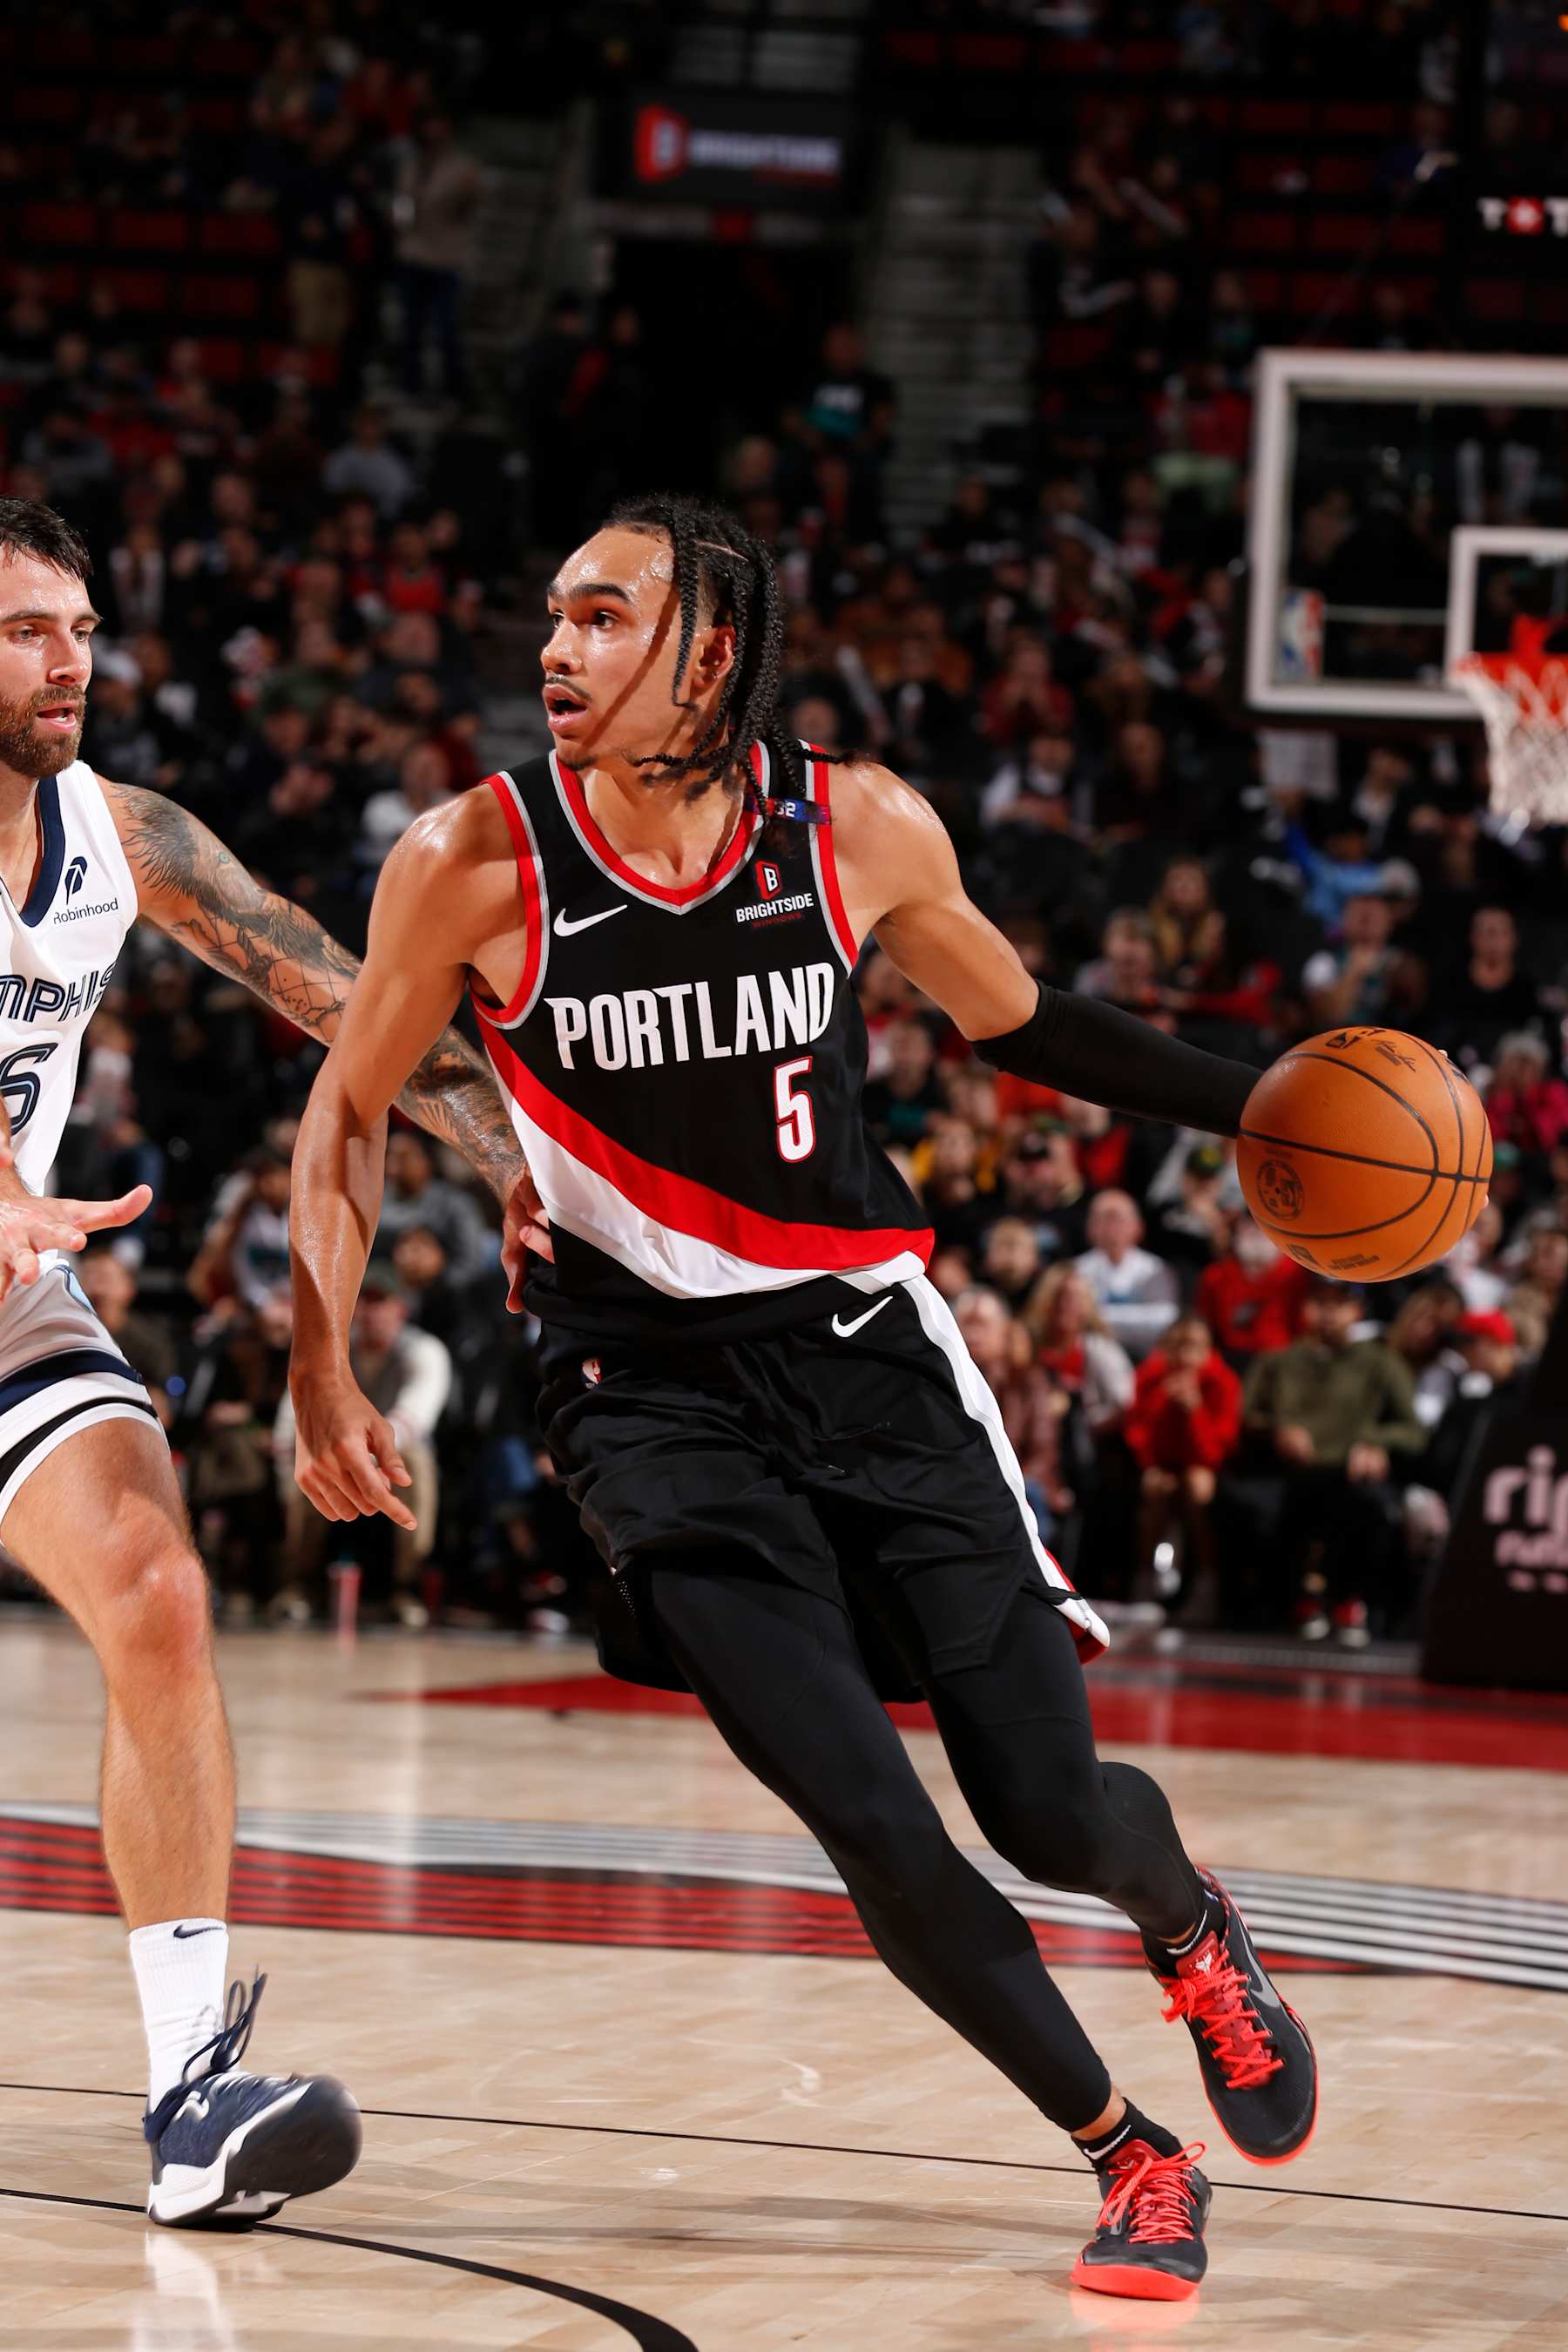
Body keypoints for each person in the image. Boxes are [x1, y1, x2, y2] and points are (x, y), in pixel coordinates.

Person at [287, 492, 1317, 2303]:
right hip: (644, 1398)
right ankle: (1128, 2154)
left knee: (1046, 1810)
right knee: (870, 1813)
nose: (556, 649)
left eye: (604, 619)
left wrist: (1257, 1107)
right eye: (551, 616)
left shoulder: (859, 825)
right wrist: (321, 1358)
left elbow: (1029, 1024)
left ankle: (1188, 1924)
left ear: (710, 650)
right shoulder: (473, 857)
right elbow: (349, 1108)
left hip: (871, 1359)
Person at [0, 497, 533, 2227]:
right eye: (24, 630)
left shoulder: (123, 834)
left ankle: (191, 2098)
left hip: (13, 1282)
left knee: (158, 1586)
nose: (65, 660)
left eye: (80, 626)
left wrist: (518, 1155)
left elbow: (331, 989)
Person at [1230, 1279, 1425, 1644]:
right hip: (1289, 1472)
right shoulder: (1279, 1360)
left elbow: (1413, 1429)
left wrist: (1375, 1442)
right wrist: (1277, 1431)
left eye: (1338, 1304)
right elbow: (1246, 1418)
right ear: (1304, 1308)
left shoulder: (1381, 1361)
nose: (1328, 1313)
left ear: (1357, 1311)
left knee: (1371, 1509)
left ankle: (1351, 1601)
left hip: (1350, 1473)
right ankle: (1289, 1602)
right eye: (1319, 1302)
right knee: (1256, 1508)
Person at [274, 1266, 451, 1625]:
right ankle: (299, 1583)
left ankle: (407, 1587)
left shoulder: (425, 1351)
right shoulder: (331, 1351)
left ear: (400, 1309)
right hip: (341, 1459)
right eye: (364, 1301)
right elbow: (294, 1411)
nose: (371, 1311)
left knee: (415, 1460)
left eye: (380, 1301)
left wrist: (359, 1457)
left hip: (387, 1462)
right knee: (303, 1450)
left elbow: (412, 1421)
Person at [1073, 1190, 1181, 1361]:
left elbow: (1165, 1319)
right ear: (1089, 1227)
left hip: (1146, 1358)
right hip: (1091, 1359)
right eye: (1102, 1219)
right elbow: (1075, 1319)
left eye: (1118, 1219)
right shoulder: (1076, 1269)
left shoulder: (1155, 1269)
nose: (1111, 1227)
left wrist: (1098, 1316)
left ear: (1138, 1227)